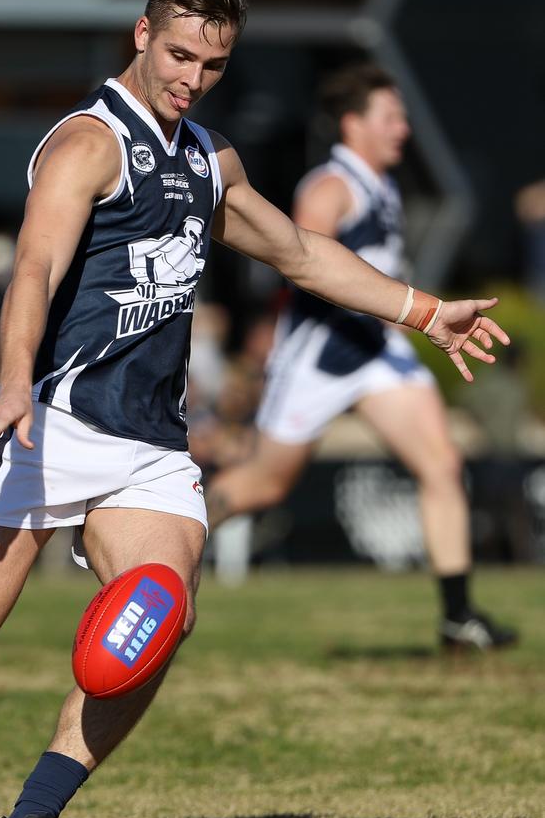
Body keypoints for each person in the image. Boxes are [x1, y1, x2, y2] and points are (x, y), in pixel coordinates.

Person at [0, 0, 511, 818]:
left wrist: (422, 309)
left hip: (149, 445)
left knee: (162, 610)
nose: (193, 76)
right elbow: (30, 269)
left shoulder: (210, 159)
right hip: (53, 419)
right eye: (180, 54)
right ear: (143, 33)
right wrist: (9, 380)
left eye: (214, 64)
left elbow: (297, 251)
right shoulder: (87, 144)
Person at [205, 62, 517, 652]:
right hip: (321, 353)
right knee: (262, 486)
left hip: (377, 352)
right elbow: (299, 259)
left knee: (441, 464)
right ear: (353, 123)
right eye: (390, 116)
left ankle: (458, 619)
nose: (403, 128)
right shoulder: (331, 185)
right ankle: (167, 537)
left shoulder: (382, 183)